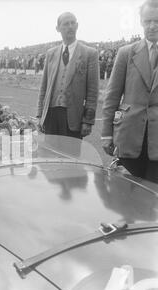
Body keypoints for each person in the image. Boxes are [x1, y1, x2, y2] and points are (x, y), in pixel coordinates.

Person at [102, 0, 158, 184]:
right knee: (125, 195)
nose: (152, 26)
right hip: (128, 136)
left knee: (153, 198)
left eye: (157, 20)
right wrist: (107, 134)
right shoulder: (126, 53)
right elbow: (112, 96)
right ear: (141, 21)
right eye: (148, 21)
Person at [37, 12, 99, 140]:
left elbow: (93, 91)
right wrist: (39, 115)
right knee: (50, 157)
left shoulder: (90, 54)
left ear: (77, 26)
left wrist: (88, 120)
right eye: (66, 24)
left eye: (73, 23)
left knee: (71, 158)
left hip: (73, 117)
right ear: (58, 28)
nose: (70, 26)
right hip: (51, 115)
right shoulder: (51, 54)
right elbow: (44, 88)